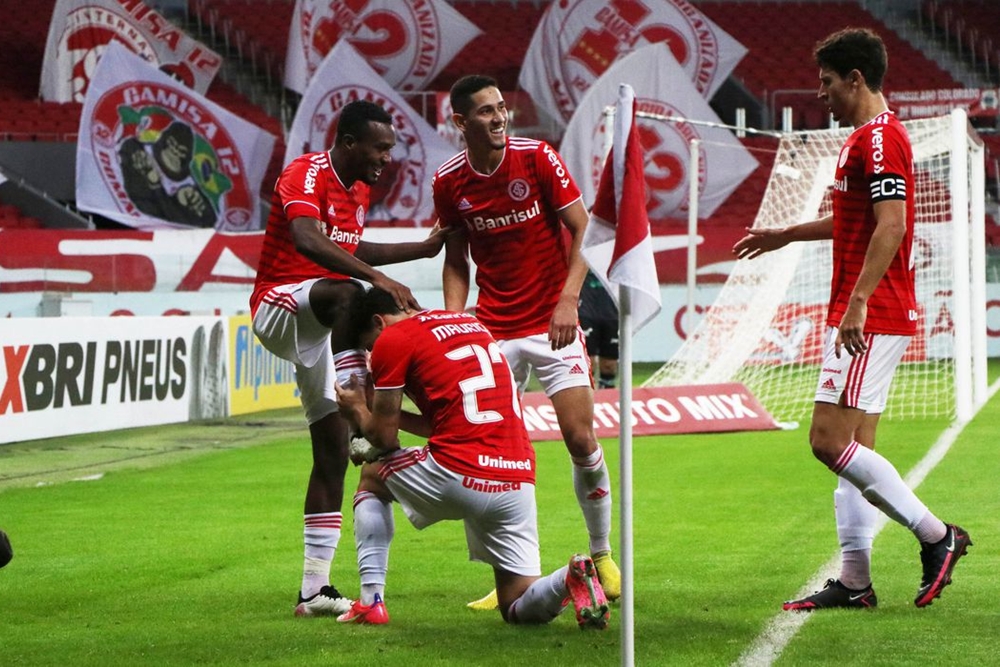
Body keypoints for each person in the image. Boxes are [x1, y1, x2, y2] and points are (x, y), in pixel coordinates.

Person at [733, 28, 971, 611]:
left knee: (827, 440)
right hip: (871, 307)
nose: (821, 93)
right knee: (857, 448)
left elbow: (891, 224)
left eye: (827, 82)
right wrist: (785, 234)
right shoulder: (862, 140)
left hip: (874, 309)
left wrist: (859, 301)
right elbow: (853, 220)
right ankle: (856, 579)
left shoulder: (883, 141)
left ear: (856, 79)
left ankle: (938, 537)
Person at [250, 99, 448, 617]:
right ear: (350, 142)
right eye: (380, 148)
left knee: (331, 455)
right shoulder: (306, 171)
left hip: (318, 327)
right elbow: (307, 238)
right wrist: (375, 277)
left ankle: (313, 590)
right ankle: (360, 408)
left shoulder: (357, 191)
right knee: (353, 294)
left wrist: (420, 250)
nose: (387, 158)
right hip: (279, 306)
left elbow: (352, 245)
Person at [433, 74, 620, 609]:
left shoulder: (538, 158)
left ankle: (602, 554)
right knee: (488, 454)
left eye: (501, 108)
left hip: (552, 322)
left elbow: (585, 229)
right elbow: (455, 260)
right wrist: (454, 324)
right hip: (492, 329)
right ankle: (508, 577)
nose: (498, 118)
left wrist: (568, 300)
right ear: (461, 122)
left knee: (580, 438)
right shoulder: (448, 181)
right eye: (486, 112)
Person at [333, 287, 611, 629]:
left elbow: (384, 438)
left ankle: (370, 602)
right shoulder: (470, 323)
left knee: (371, 478)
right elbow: (442, 421)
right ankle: (567, 579)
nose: (373, 352)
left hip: (460, 471)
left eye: (370, 344)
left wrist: (359, 409)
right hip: (517, 475)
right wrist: (384, 415)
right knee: (516, 605)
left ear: (379, 321)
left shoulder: (394, 338)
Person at [578, 270, 620, 389]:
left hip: (612, 314)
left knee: (609, 365)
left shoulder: (614, 258)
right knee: (588, 362)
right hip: (586, 312)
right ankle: (586, 399)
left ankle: (607, 397)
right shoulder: (584, 254)